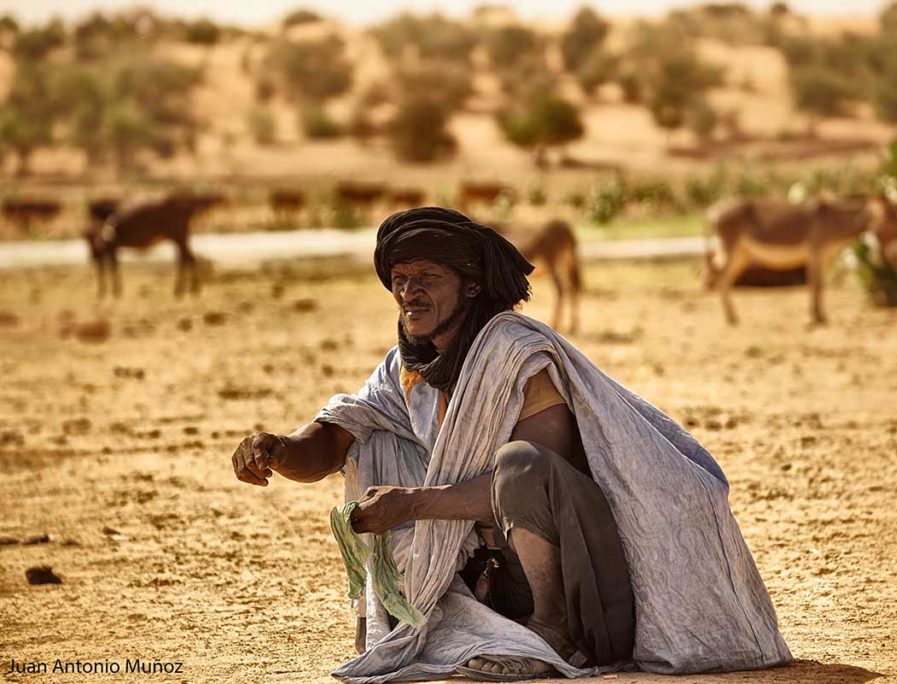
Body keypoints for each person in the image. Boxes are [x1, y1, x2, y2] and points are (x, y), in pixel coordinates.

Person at [231, 207, 791, 682]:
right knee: (376, 435)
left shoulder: (516, 357)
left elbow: (529, 479)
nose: (409, 291)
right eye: (400, 278)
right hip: (488, 584)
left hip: (583, 593)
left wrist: (414, 503)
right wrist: (278, 449)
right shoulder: (406, 370)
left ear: (470, 286)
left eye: (428, 276)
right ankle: (473, 627)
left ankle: (550, 638)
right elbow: (329, 443)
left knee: (518, 463)